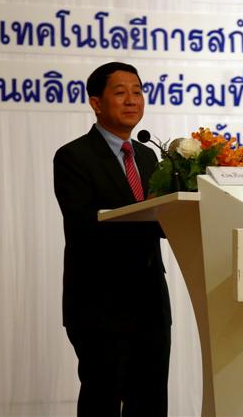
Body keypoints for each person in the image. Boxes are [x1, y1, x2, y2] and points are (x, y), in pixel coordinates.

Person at [53, 62, 171, 417]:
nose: (132, 100)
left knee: (150, 403)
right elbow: (83, 224)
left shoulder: (148, 155)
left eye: (137, 91)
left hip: (150, 301)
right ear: (96, 103)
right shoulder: (74, 156)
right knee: (102, 402)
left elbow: (162, 222)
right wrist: (147, 215)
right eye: (120, 93)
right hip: (100, 303)